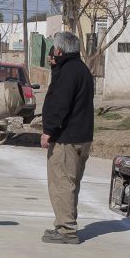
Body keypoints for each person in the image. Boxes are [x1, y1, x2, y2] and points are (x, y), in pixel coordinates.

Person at [40, 32, 94, 245]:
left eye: (54, 49)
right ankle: (66, 223)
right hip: (83, 136)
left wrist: (48, 131)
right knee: (71, 184)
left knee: (62, 183)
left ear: (60, 50)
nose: (52, 53)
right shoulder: (81, 69)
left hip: (67, 139)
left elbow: (59, 104)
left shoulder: (68, 72)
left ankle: (66, 230)